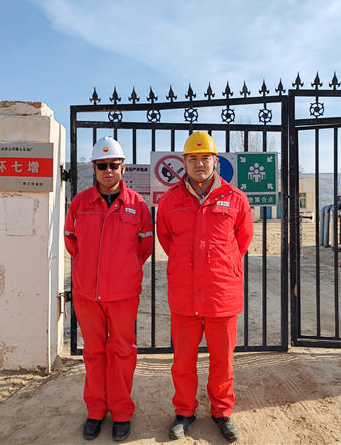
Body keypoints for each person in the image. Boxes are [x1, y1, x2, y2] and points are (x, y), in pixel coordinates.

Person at [157, 131, 253, 443]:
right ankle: (184, 411)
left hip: (221, 294)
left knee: (222, 361)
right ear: (184, 162)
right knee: (183, 361)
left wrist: (221, 265)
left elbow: (242, 240)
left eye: (205, 158)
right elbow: (167, 241)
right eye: (193, 158)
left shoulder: (236, 198)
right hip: (184, 295)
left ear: (216, 161)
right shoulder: (169, 201)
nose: (199, 164)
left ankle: (222, 412)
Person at [64, 137, 153, 442]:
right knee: (93, 352)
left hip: (123, 294)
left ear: (123, 167)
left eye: (113, 164)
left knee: (123, 352)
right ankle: (96, 410)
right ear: (94, 168)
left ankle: (122, 411)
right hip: (87, 293)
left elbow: (144, 247)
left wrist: (124, 270)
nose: (108, 170)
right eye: (102, 165)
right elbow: (71, 241)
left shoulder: (137, 205)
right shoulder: (80, 203)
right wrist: (87, 267)